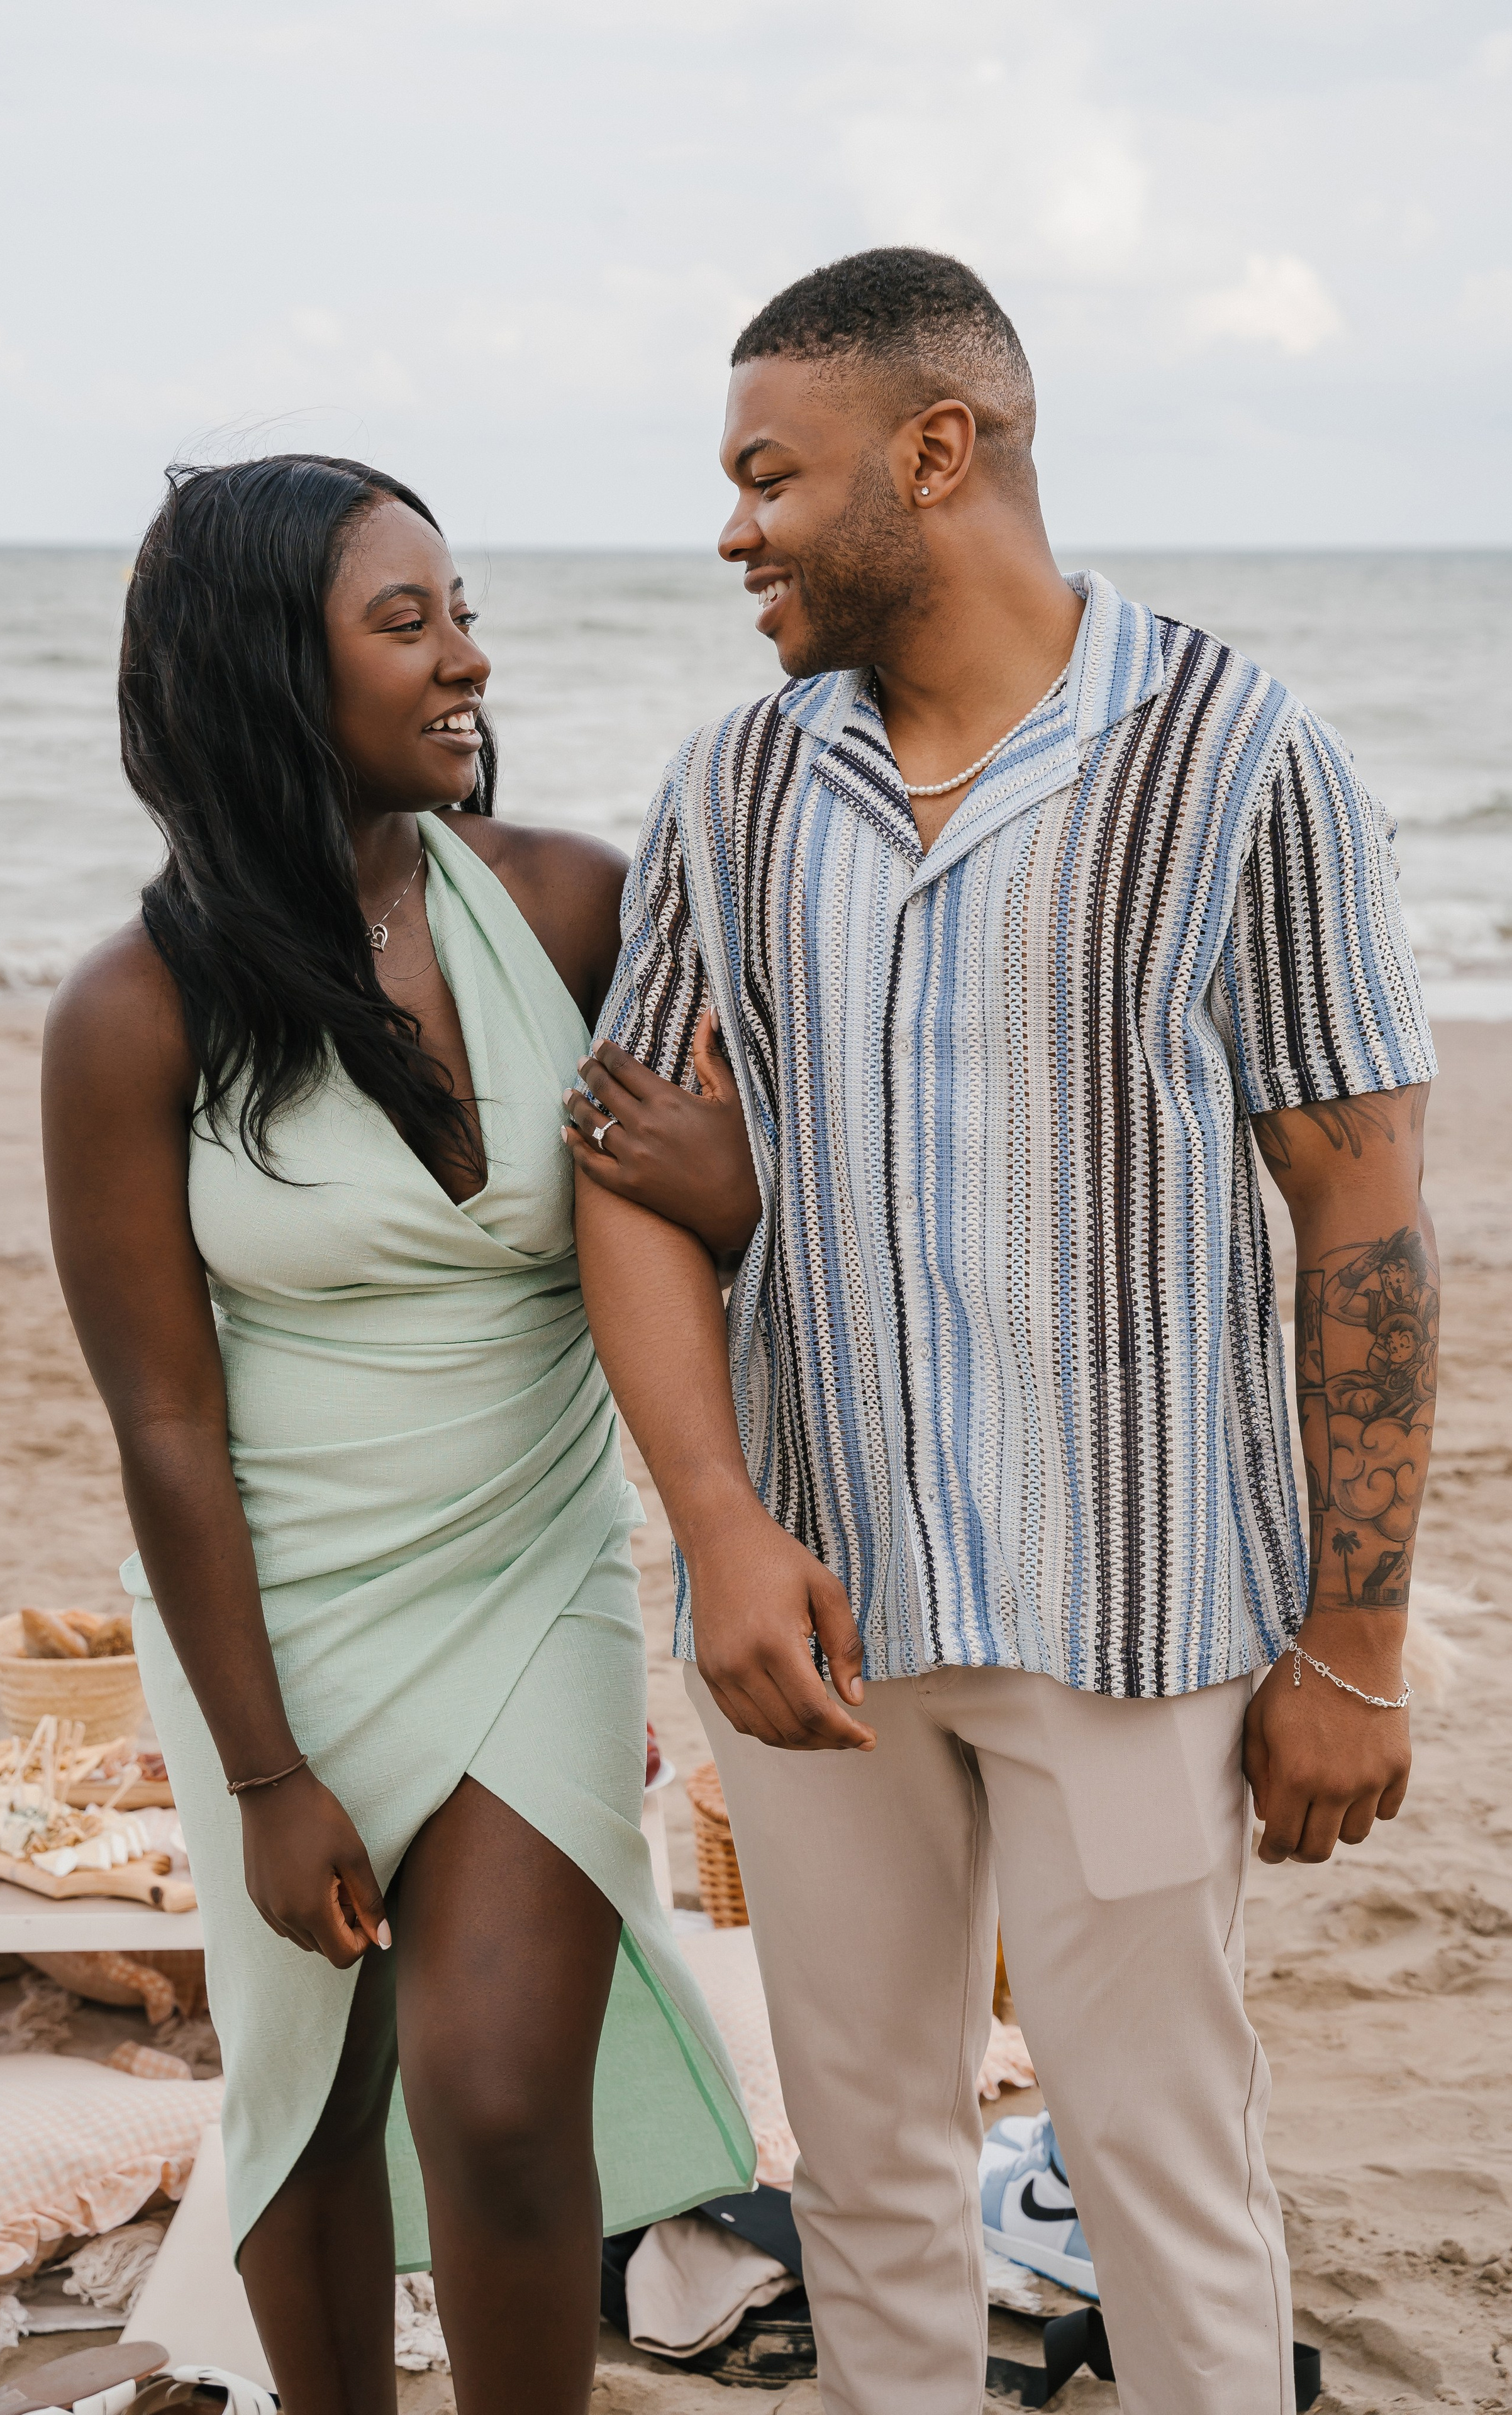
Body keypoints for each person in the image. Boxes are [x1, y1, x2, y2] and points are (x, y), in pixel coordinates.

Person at [564, 250, 1438, 2414]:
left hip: (1140, 1614)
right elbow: (635, 1177)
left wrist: (1353, 1651)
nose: (734, 528)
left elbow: (1366, 1217)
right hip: (819, 1620)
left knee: (1160, 2164)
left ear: (937, 453)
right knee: (864, 2166)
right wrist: (718, 1529)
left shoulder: (1241, 760)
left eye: (770, 475)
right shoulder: (733, 794)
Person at [41, 455, 762, 2415]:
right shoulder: (134, 1015)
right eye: (408, 620)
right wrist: (265, 1772)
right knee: (314, 2091)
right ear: (275, 670)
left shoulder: (575, 908)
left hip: (532, 1572)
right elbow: (166, 1424)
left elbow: (731, 1221)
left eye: (461, 607)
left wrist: (739, 1190)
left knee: (501, 2089)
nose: (469, 656)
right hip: (269, 1609)